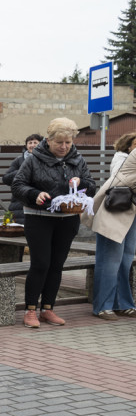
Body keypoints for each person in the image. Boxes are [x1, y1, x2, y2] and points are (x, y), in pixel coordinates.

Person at [11, 117, 96, 328]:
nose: (64, 147)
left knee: (57, 265)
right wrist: (34, 194)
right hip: (38, 218)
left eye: (68, 142)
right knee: (40, 264)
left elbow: (92, 186)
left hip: (67, 219)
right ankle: (30, 311)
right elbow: (17, 184)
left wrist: (81, 182)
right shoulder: (33, 159)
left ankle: (48, 309)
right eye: (60, 142)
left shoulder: (78, 159)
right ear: (48, 140)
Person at [89, 131, 136, 320]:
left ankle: (122, 304)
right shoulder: (124, 158)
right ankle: (102, 306)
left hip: (131, 212)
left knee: (125, 261)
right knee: (109, 261)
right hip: (115, 213)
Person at [1, 133, 42, 224]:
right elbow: (6, 179)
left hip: (39, 203)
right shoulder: (19, 160)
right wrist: (21, 172)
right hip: (19, 205)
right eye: (30, 143)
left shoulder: (46, 160)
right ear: (26, 146)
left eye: (35, 142)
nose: (32, 145)